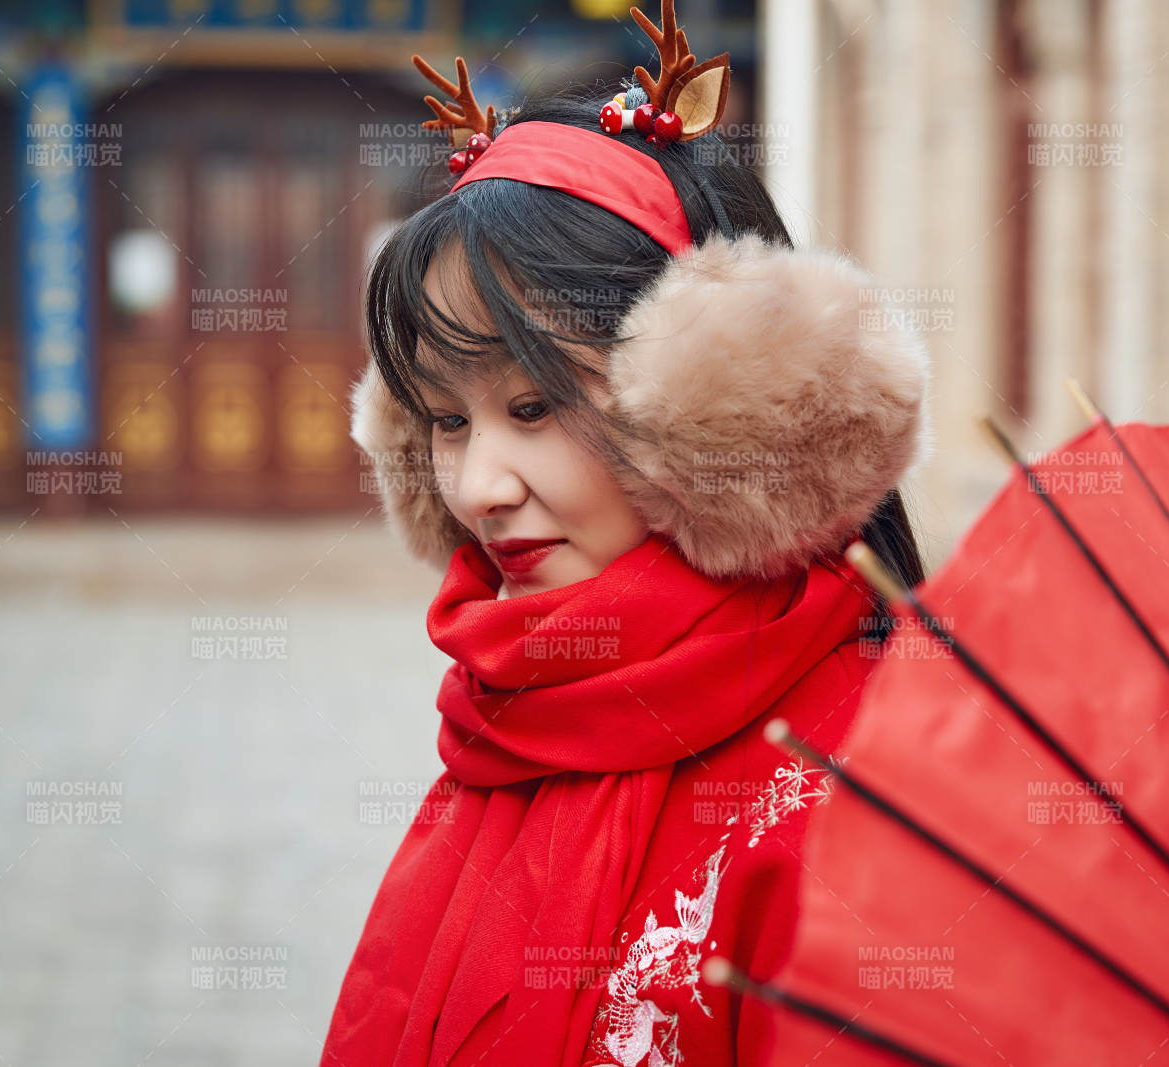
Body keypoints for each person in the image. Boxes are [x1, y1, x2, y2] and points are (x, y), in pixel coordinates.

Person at [322, 11, 931, 1062]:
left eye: (533, 406)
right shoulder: (511, 702)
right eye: (446, 419)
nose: (477, 487)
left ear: (709, 401)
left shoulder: (865, 775)